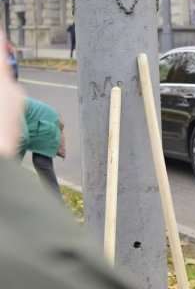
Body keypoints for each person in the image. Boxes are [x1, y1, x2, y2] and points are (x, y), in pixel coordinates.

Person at [0, 31, 136, 288]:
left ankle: (58, 215)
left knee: (44, 171)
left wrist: (9, 172)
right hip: (39, 123)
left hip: (44, 126)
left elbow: (22, 137)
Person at [18, 97, 66, 194]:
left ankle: (56, 205)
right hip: (35, 123)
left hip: (46, 123)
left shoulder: (6, 103)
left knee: (41, 163)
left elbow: (22, 138)